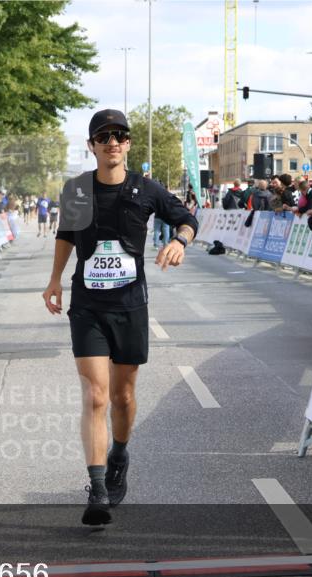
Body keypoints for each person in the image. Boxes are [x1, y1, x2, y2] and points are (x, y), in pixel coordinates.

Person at [42, 109, 197, 525]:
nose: (113, 142)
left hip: (130, 306)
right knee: (95, 394)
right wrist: (55, 279)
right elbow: (66, 236)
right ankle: (96, 489)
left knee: (122, 396)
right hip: (88, 306)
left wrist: (180, 241)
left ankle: (119, 454)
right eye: (104, 136)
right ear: (92, 145)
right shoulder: (76, 189)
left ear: (128, 144)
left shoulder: (147, 189)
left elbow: (186, 218)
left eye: (120, 136)